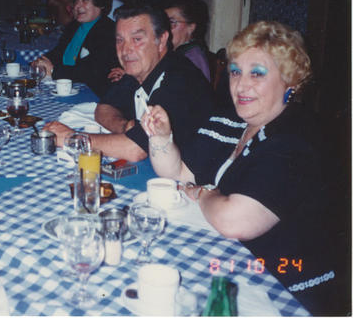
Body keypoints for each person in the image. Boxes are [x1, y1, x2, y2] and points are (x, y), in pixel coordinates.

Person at [141, 21, 345, 315]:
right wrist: (161, 137)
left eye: (257, 73)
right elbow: (178, 173)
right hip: (232, 262)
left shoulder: (297, 137)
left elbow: (235, 221)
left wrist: (203, 194)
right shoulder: (232, 121)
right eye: (236, 72)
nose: (241, 85)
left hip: (286, 286)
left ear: (289, 81)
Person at [45, 4, 213, 162]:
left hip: (194, 175)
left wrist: (72, 138)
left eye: (137, 39)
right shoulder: (140, 70)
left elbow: (136, 149)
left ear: (161, 40)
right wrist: (124, 126)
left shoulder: (178, 79)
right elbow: (103, 108)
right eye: (120, 40)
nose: (125, 50)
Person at [32, 0, 119, 97]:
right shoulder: (74, 26)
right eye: (76, 0)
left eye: (85, 0)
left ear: (101, 4)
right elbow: (59, 51)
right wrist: (42, 61)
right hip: (66, 87)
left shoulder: (108, 31)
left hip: (92, 94)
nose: (78, 5)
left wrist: (53, 70)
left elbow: (91, 71)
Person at [157, 0, 211, 81]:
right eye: (164, 22)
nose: (166, 28)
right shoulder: (174, 54)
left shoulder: (193, 58)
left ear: (191, 27)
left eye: (172, 22)